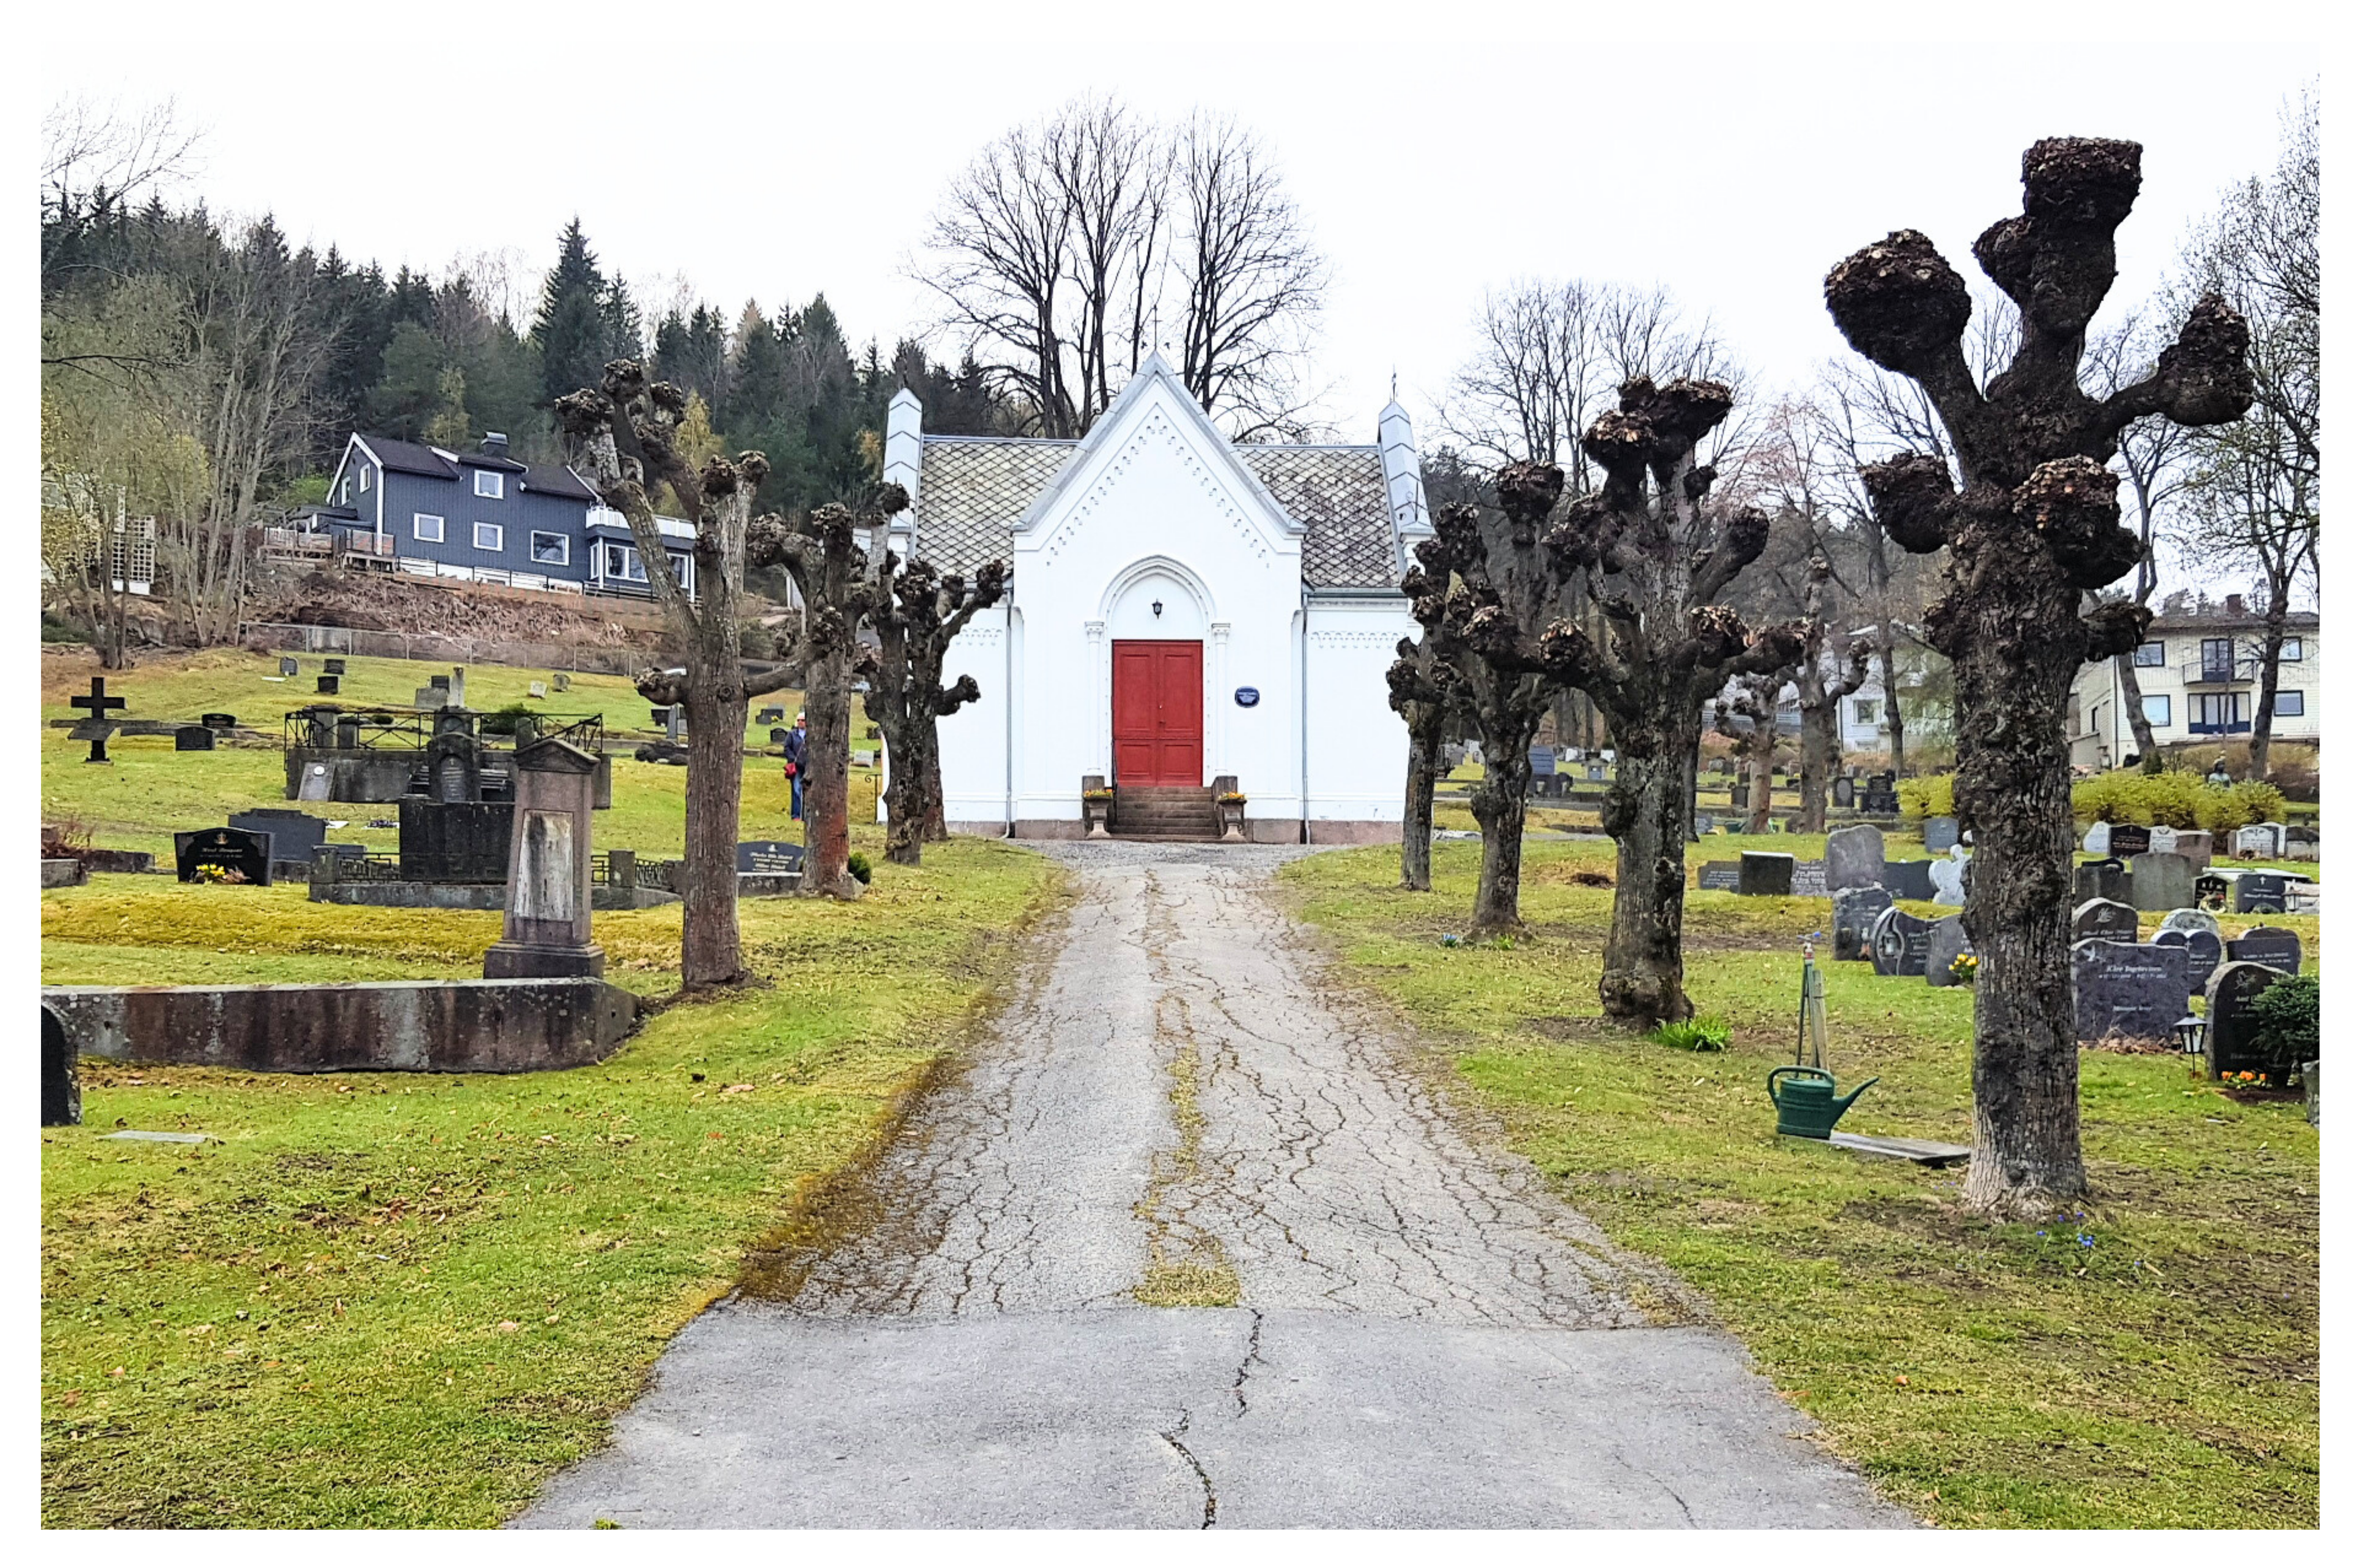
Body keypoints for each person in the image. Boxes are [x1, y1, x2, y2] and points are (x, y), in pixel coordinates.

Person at [783, 713, 809, 821]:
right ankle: (796, 815)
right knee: (797, 789)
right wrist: (794, 759)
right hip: (796, 767)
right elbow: (787, 748)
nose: (800, 722)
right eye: (798, 720)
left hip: (808, 766)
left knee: (808, 791)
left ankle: (806, 816)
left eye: (802, 720)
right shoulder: (792, 735)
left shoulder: (811, 735)